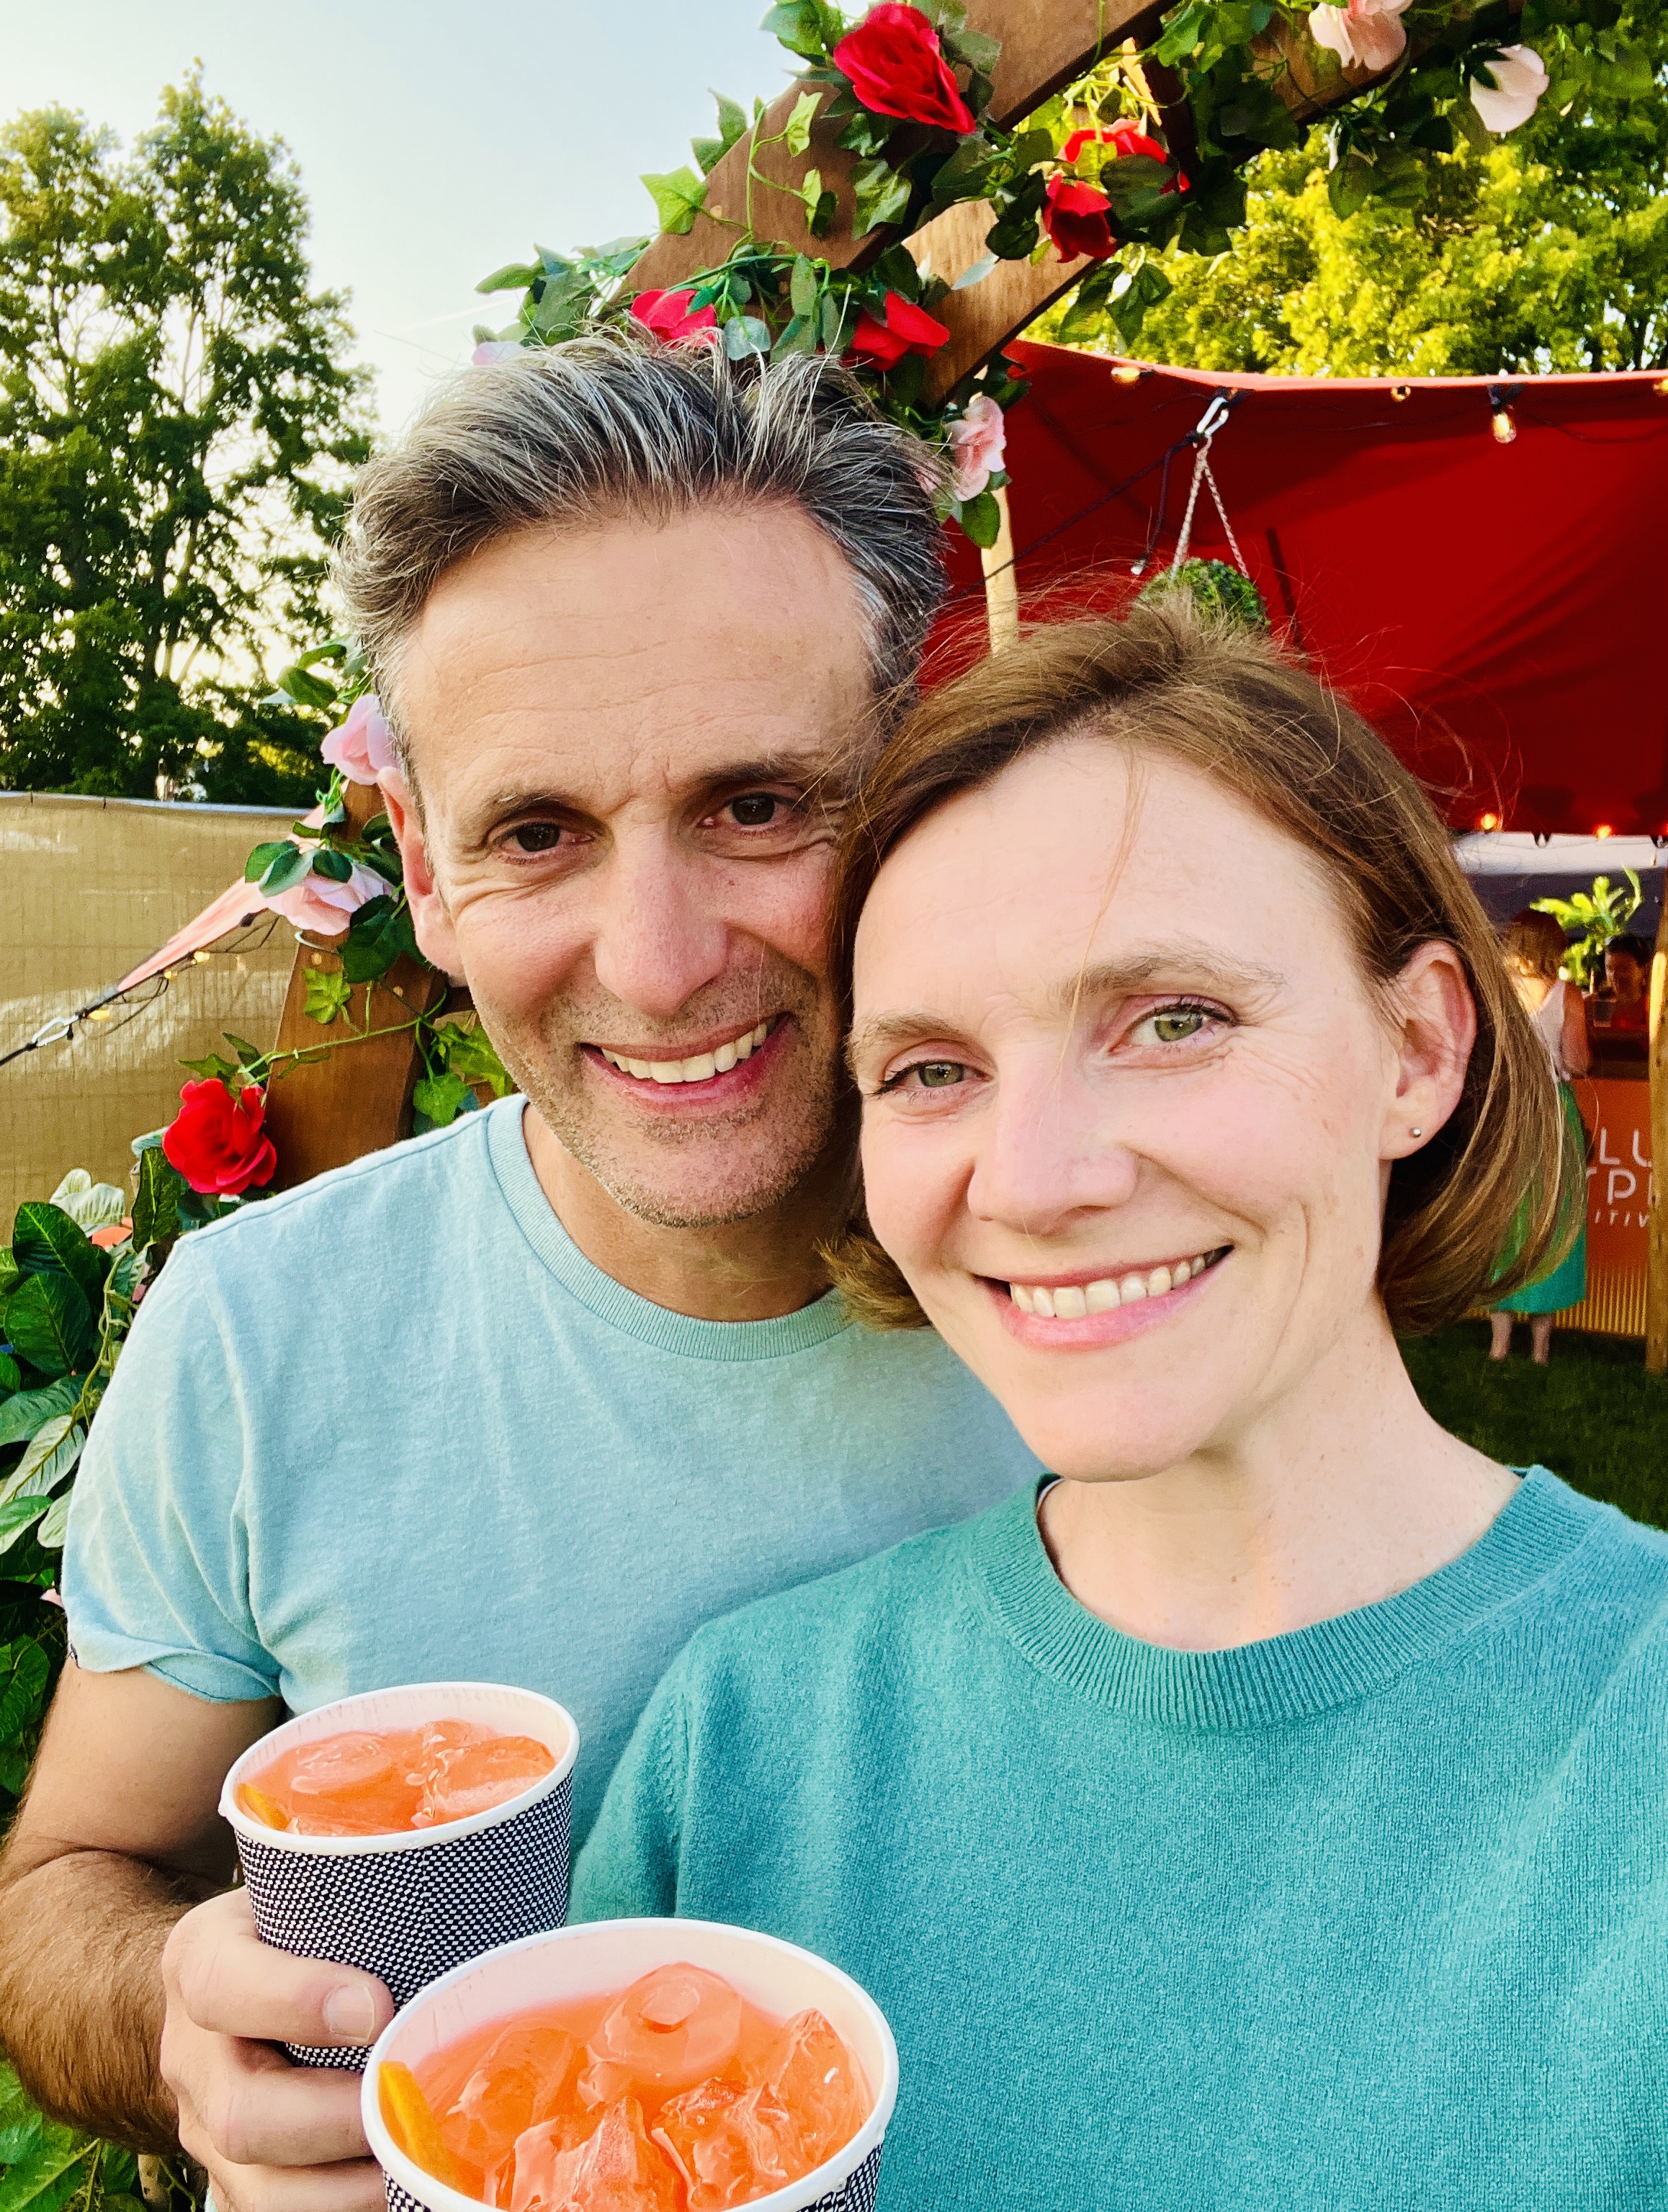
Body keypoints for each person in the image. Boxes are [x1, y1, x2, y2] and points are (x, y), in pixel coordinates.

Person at [0, 339, 1039, 2201]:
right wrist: (178, 2013)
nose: (655, 961)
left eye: (757, 804)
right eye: (538, 833)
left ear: (911, 787)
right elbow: (64, 1883)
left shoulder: (1114, 1307)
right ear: (420, 860)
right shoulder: (258, 1338)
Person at [575, 604, 1668, 2206]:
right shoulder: (746, 1745)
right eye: (932, 1068)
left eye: (1172, 1020)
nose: (1032, 1180)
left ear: (1419, 1048)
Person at [1487, 907, 1591, 1364]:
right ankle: (1540, 1348)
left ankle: (1499, 1343)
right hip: (1552, 1111)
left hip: (1508, 1110)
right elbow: (1578, 1062)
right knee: (1553, 1218)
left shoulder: (1495, 990)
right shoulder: (1567, 995)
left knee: (1502, 1219)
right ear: (1554, 947)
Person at [1600, 931, 1651, 1032]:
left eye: (1623, 968)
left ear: (1643, 969)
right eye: (1610, 968)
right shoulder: (1593, 1006)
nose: (1615, 975)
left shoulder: (1655, 1009)